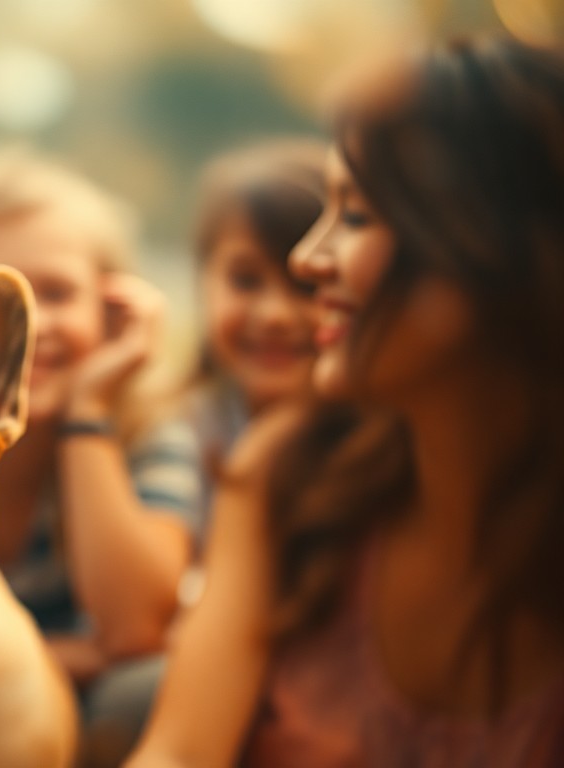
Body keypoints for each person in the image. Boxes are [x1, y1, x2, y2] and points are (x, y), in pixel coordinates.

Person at [129, 36, 564, 767]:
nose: (308, 259)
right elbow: (176, 752)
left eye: (356, 216)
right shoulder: (290, 473)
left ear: (493, 245)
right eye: (241, 278)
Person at [0, 145, 202, 761]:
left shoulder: (147, 438)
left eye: (59, 293)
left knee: (143, 690)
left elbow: (133, 631)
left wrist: (88, 416)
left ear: (111, 311)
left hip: (74, 726)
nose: (30, 326)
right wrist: (73, 655)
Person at [183, 139, 325, 520]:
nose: (275, 315)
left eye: (307, 285)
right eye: (246, 280)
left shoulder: (382, 453)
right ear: (203, 281)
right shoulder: (172, 431)